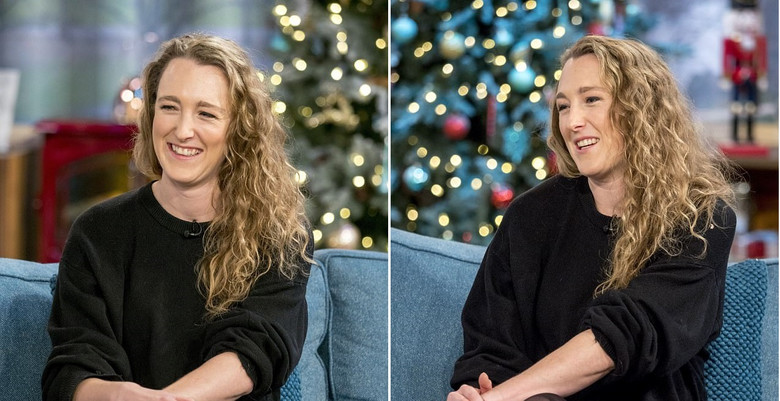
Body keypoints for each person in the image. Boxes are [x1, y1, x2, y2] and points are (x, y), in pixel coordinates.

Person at [448, 35, 737, 401]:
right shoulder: (530, 216)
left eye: (592, 100)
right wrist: (478, 389)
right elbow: (489, 345)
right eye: (563, 107)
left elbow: (623, 335)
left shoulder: (700, 216)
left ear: (640, 107)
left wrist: (500, 398)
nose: (572, 122)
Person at [42, 34, 313, 401]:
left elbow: (253, 351)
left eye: (206, 113)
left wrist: (166, 400)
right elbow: (74, 368)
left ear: (238, 129)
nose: (183, 131)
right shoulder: (97, 232)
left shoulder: (278, 235)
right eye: (169, 107)